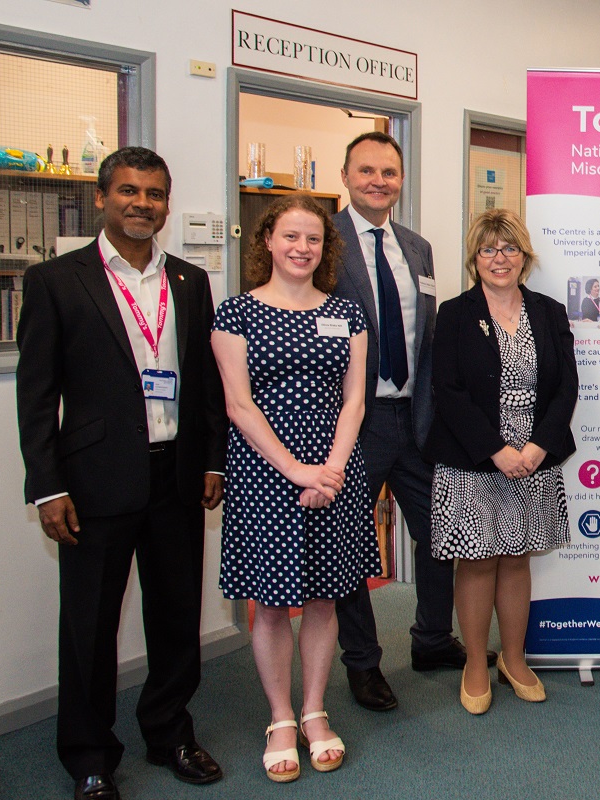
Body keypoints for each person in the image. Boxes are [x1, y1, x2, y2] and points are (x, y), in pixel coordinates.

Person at [16, 147, 226, 800]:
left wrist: (214, 458)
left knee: (175, 618)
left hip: (177, 478)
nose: (143, 203)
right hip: (93, 484)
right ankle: (89, 755)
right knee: (89, 627)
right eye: (129, 191)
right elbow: (36, 392)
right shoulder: (57, 280)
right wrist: (47, 485)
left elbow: (206, 386)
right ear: (103, 197)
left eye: (155, 193)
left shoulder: (190, 281)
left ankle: (169, 732)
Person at [212, 193, 379, 781]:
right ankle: (280, 717)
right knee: (276, 603)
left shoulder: (347, 313)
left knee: (324, 599)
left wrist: (329, 471)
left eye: (312, 239)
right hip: (265, 472)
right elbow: (238, 404)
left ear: (324, 248)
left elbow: (355, 399)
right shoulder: (235, 313)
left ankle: (314, 710)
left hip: (335, 471)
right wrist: (297, 471)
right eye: (290, 237)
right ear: (266, 242)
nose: (301, 248)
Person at [330, 132, 481, 714]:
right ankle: (363, 664)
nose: (378, 181)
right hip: (354, 422)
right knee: (347, 547)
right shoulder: (326, 243)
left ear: (400, 180)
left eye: (389, 173)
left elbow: (427, 338)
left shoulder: (417, 249)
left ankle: (431, 639)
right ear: (346, 176)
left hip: (416, 418)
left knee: (441, 536)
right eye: (366, 171)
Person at [425, 209, 578, 714]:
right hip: (475, 457)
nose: (500, 258)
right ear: (474, 258)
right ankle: (475, 663)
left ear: (524, 257)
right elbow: (447, 391)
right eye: (489, 249)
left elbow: (566, 388)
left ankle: (514, 659)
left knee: (516, 560)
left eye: (509, 248)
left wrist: (537, 447)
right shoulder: (454, 313)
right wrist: (496, 449)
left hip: (534, 456)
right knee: (475, 562)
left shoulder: (550, 312)